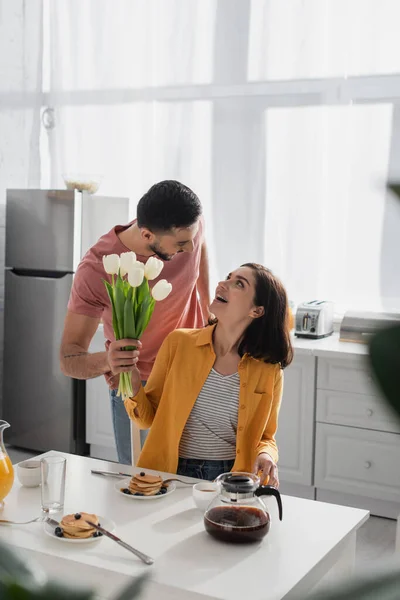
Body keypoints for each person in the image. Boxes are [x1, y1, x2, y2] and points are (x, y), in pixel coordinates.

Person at [60, 180, 210, 465]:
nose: (190, 248)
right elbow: (69, 358)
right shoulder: (97, 268)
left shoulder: (187, 228)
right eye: (180, 244)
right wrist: (109, 361)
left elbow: (199, 249)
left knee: (197, 485)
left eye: (192, 238)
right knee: (141, 485)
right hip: (138, 388)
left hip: (194, 374)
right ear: (147, 234)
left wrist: (206, 304)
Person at [115, 263, 293, 482]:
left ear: (256, 311)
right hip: (170, 472)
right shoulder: (178, 343)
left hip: (231, 478)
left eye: (239, 284)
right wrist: (133, 385)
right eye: (228, 277)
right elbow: (146, 419)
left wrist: (266, 455)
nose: (222, 284)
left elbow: (266, 437)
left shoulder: (268, 370)